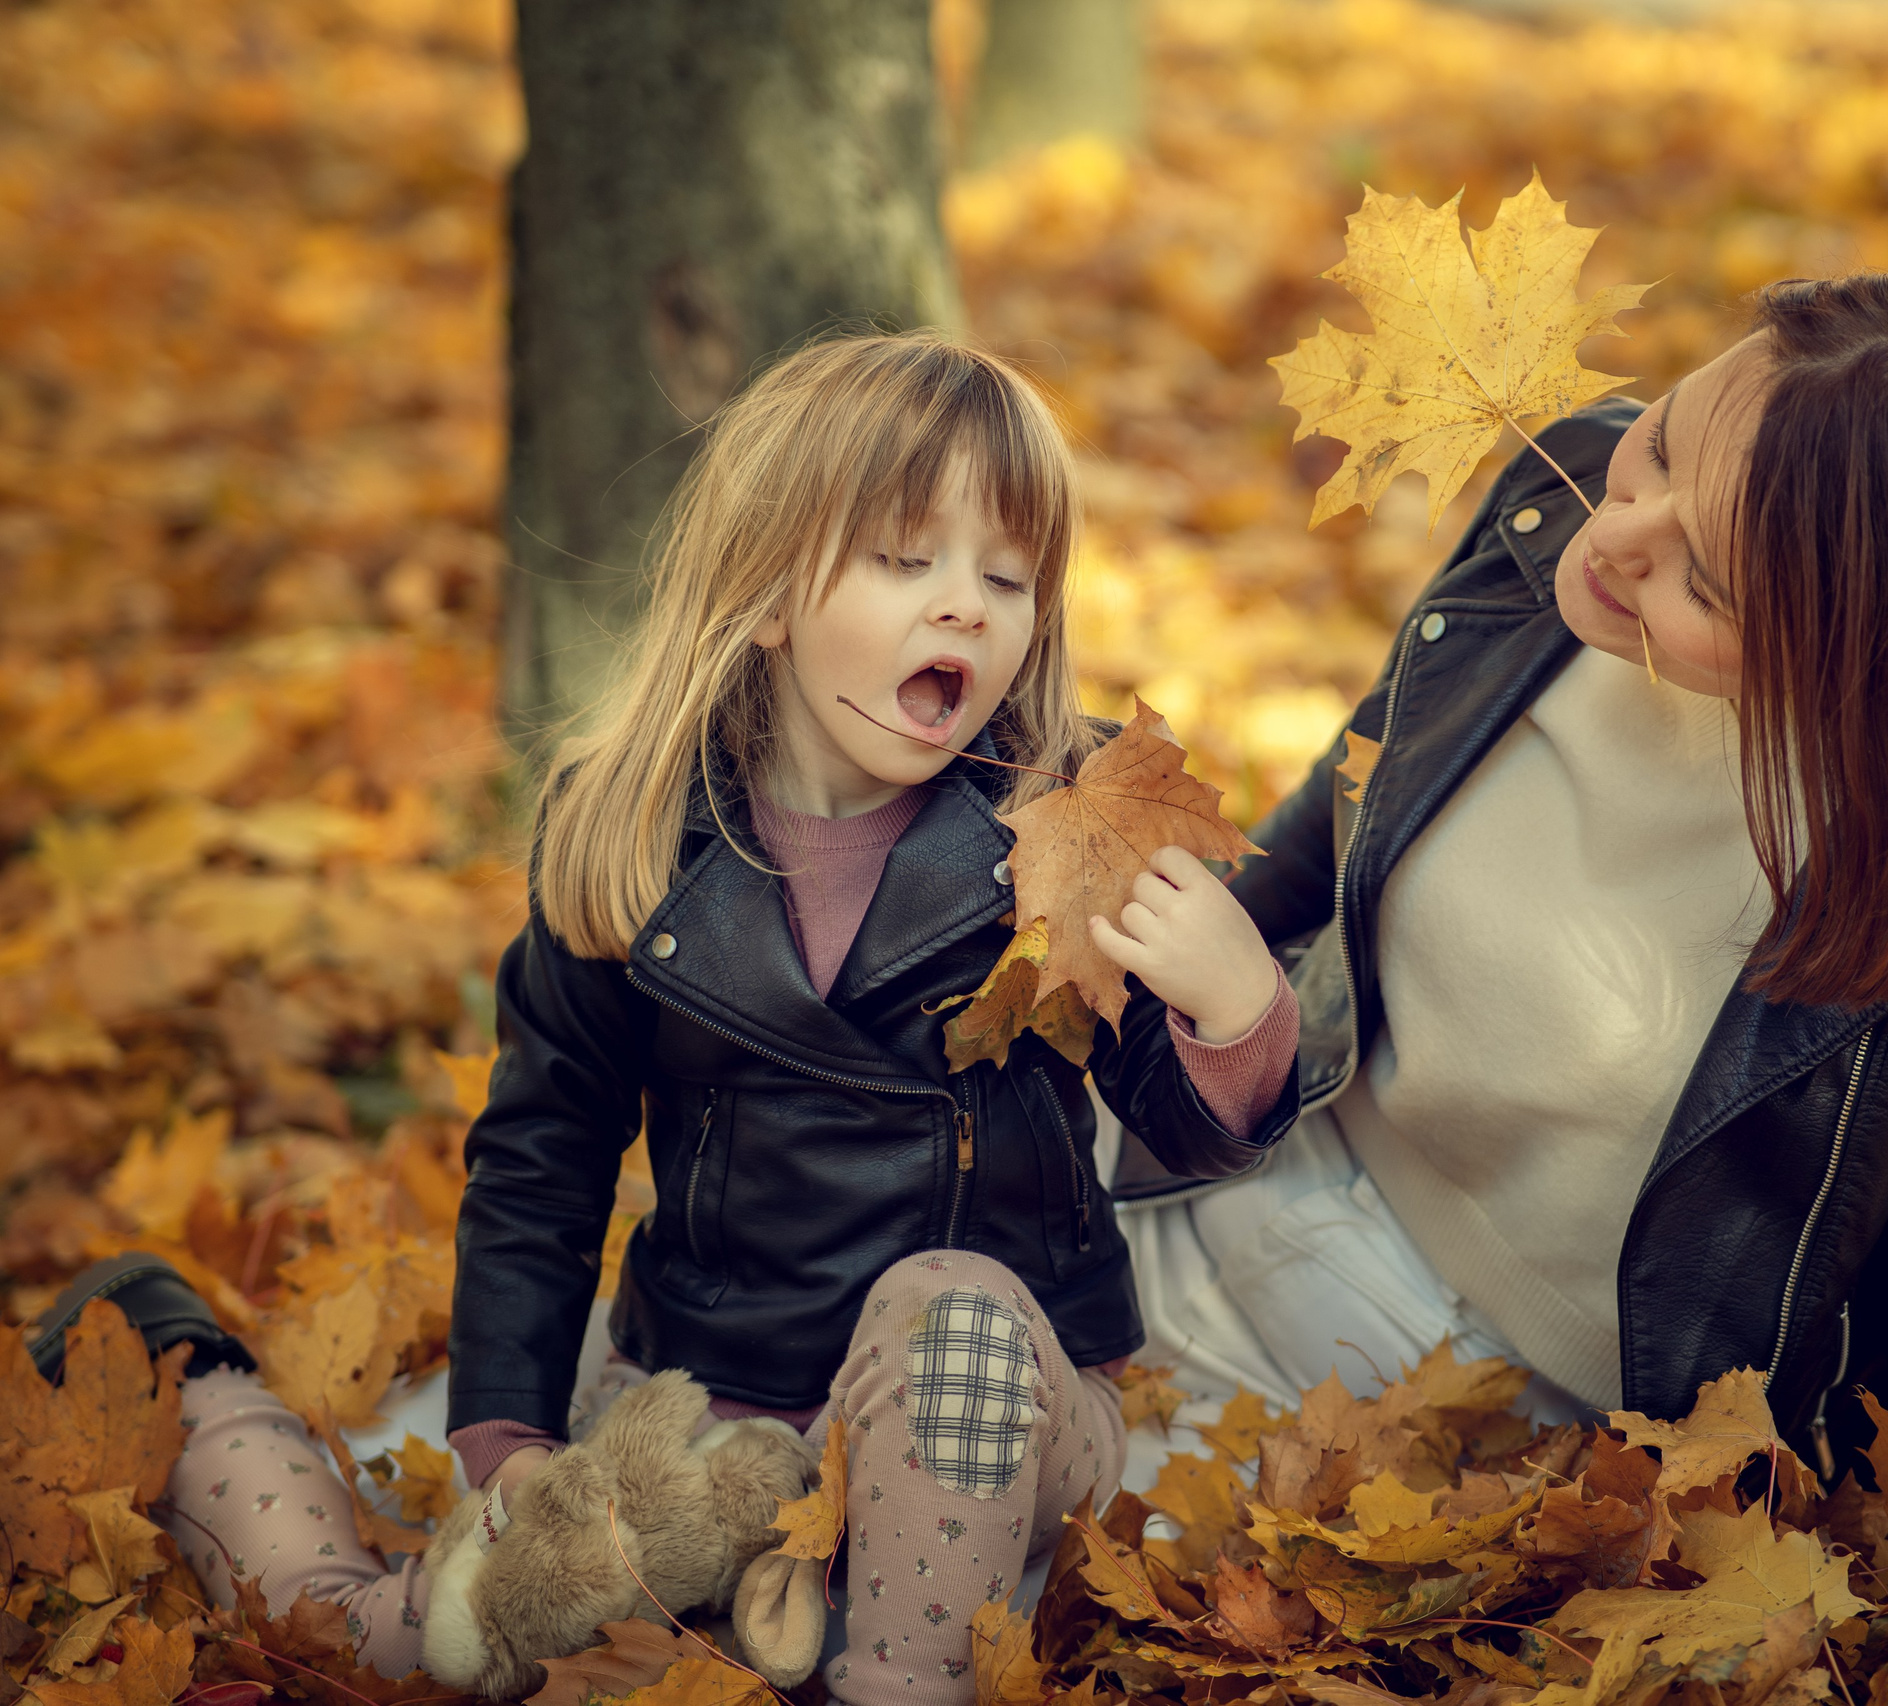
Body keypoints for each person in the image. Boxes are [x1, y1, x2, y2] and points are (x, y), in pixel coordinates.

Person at [43, 332, 1301, 1695]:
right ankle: (213, 1407)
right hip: (708, 1403)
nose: (966, 607)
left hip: (986, 1424)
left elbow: (1182, 1128)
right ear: (765, 592)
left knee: (960, 1318)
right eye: (903, 559)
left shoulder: (1054, 829)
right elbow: (545, 1152)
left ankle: (895, 1675)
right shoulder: (639, 837)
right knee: (463, 1635)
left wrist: (1236, 1009)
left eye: (1006, 576)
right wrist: (512, 1435)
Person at [1125, 272, 1888, 1514]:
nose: (1612, 534)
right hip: (1233, 1151)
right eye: (1662, 447)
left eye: (1702, 582)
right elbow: (1320, 849)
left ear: (1867, 656)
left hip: (1453, 1400)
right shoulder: (1568, 486)